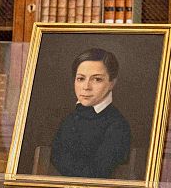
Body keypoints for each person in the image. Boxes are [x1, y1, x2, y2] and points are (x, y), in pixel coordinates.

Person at [49, 48, 131, 178]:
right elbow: (54, 158)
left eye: (97, 79)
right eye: (80, 79)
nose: (86, 87)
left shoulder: (117, 125)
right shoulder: (69, 120)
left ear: (112, 83)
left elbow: (97, 173)